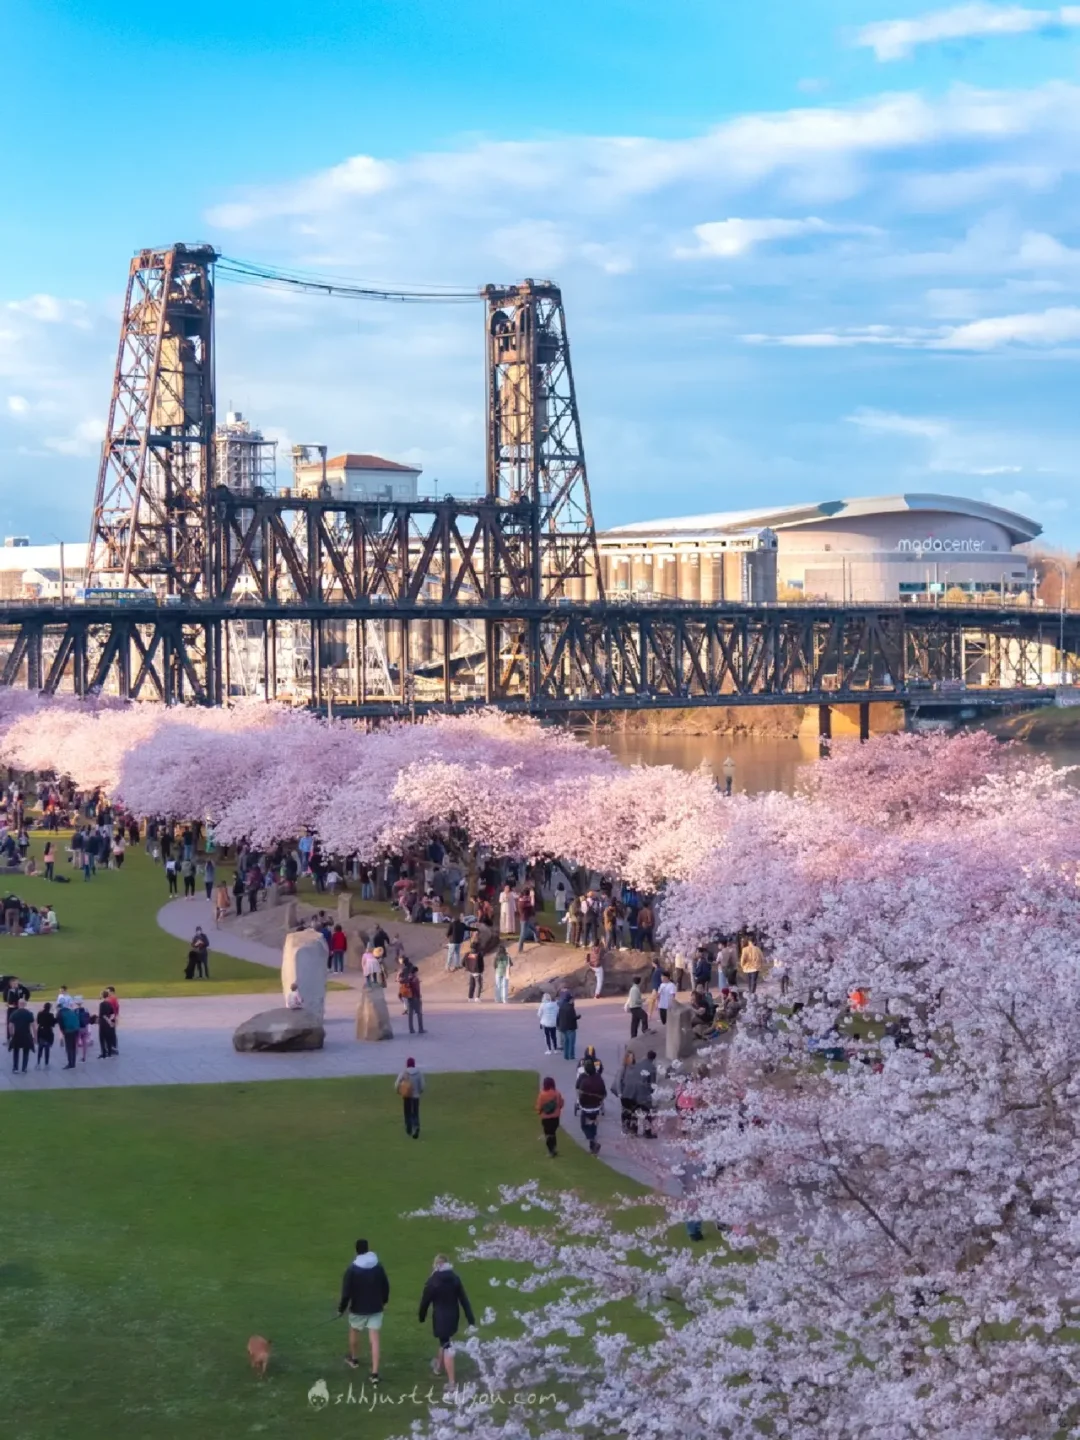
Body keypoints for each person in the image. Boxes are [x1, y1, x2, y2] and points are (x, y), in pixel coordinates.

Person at [419, 1255, 476, 1389]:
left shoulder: (433, 1281)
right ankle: (438, 1367)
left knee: (447, 1346)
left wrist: (422, 1316)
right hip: (453, 1316)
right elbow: (463, 1299)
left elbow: (425, 1301)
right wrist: (470, 1318)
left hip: (440, 1317)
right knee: (445, 1341)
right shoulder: (455, 1279)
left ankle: (451, 1382)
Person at [338, 1239, 390, 1379]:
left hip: (358, 1308)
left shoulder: (352, 1270)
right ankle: (374, 1372)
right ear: (368, 1249)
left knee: (354, 1332)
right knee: (374, 1340)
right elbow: (385, 1285)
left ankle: (354, 1358)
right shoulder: (378, 1266)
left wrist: (341, 1309)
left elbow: (346, 1293)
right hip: (375, 1307)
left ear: (356, 1250)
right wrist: (384, 1300)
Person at [575, 1057, 608, 1156]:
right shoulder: (598, 1078)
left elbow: (579, 1092)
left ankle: (593, 1141)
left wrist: (581, 1103)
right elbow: (603, 1092)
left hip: (586, 1107)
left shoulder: (583, 1080)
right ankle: (593, 1147)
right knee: (593, 1124)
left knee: (584, 1125)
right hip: (597, 1106)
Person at [395, 1056, 424, 1138]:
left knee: (407, 1113)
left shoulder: (404, 1073)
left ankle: (409, 1129)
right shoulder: (419, 1073)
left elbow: (397, 1084)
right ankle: (416, 1126)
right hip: (416, 1096)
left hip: (407, 1096)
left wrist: (399, 1092)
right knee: (415, 1113)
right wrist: (419, 1092)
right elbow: (422, 1086)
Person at [535, 1076, 564, 1157]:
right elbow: (561, 1104)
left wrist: (539, 1112)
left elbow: (539, 1106)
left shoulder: (542, 1094)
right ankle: (554, 1148)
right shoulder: (557, 1093)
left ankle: (551, 1151)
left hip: (546, 1118)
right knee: (553, 1133)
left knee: (548, 1134)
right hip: (555, 1118)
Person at [8, 997, 35, 1073]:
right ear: (25, 1004)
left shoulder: (14, 1013)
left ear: (18, 1004)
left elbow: (10, 1025)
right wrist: (35, 1037)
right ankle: (24, 1068)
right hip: (26, 1035)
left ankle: (15, 1068)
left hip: (17, 1035)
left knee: (16, 1051)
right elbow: (34, 1026)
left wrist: (11, 1034)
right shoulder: (29, 1014)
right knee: (26, 1052)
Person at [555, 988, 578, 1061]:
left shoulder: (561, 1007)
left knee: (566, 1042)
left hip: (563, 1027)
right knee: (571, 1042)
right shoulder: (570, 1008)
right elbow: (572, 1017)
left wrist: (558, 1025)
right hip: (571, 1027)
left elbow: (558, 1017)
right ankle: (571, 1055)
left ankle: (566, 1055)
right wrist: (578, 1017)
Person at [57, 999, 80, 1068]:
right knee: (73, 1047)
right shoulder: (71, 1011)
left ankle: (70, 1063)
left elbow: (61, 1024)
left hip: (68, 1031)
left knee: (69, 1048)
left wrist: (63, 1032)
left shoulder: (60, 1013)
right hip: (75, 1030)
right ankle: (73, 1063)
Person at [97, 989, 118, 1058]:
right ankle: (109, 1052)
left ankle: (103, 1053)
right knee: (108, 1038)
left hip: (103, 1024)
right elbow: (113, 1014)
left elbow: (102, 1015)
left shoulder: (102, 1004)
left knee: (102, 1038)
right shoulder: (109, 1004)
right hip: (109, 1024)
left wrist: (107, 1021)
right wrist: (111, 1021)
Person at [404, 966, 424, 1035]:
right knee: (419, 1014)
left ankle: (411, 1029)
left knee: (410, 1014)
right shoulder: (415, 979)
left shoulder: (408, 978)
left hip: (409, 997)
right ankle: (420, 1029)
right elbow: (416, 989)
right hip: (415, 997)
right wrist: (419, 996)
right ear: (415, 972)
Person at [35, 1001, 56, 1066]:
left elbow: (38, 1022)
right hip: (48, 1031)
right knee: (47, 1048)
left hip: (41, 1031)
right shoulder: (51, 1015)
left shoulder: (39, 1014)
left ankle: (38, 1060)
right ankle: (46, 1062)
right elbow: (53, 1024)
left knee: (40, 1047)